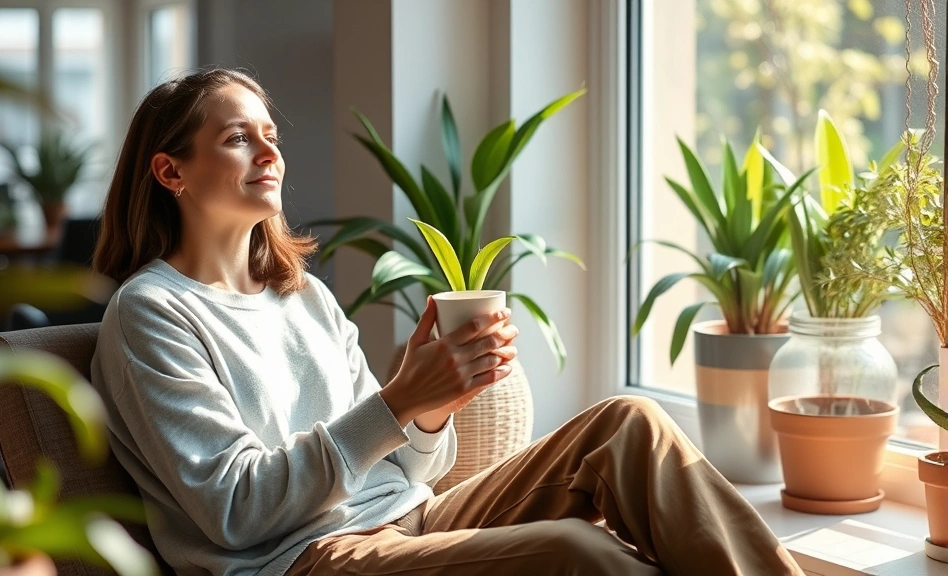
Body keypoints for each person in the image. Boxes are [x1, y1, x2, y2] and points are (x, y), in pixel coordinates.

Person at [90, 68, 803, 576]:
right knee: (579, 553)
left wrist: (429, 410)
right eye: (239, 138)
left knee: (628, 423)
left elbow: (405, 469)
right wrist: (395, 402)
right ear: (170, 172)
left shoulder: (300, 294)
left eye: (270, 134)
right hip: (300, 559)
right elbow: (236, 511)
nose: (271, 152)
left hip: (412, 516)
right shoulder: (152, 314)